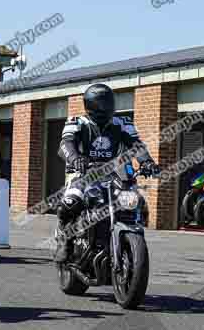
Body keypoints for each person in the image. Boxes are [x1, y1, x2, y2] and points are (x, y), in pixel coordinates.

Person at [54, 83, 158, 263]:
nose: (105, 108)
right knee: (71, 202)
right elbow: (66, 144)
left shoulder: (122, 123)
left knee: (135, 201)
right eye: (100, 104)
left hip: (117, 174)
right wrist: (76, 158)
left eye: (108, 103)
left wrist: (146, 161)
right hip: (83, 173)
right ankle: (65, 241)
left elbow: (136, 145)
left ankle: (130, 240)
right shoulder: (76, 122)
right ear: (90, 105)